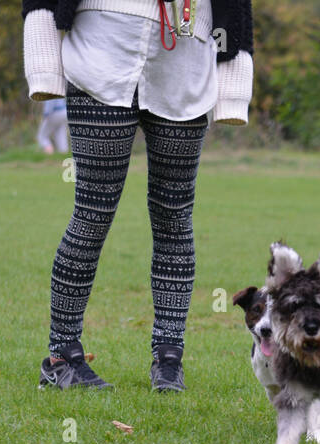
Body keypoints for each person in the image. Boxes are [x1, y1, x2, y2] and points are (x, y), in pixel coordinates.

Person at [22, 0, 254, 391]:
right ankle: (61, 357)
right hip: (101, 53)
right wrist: (43, 62)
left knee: (174, 219)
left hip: (186, 66)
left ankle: (169, 359)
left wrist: (234, 86)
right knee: (92, 215)